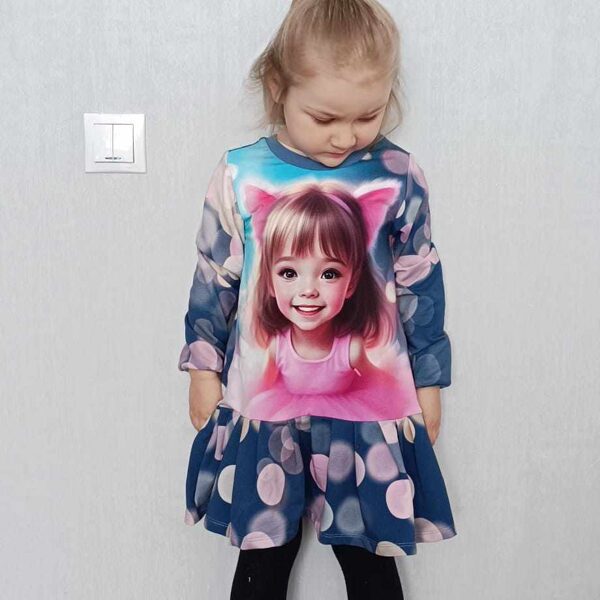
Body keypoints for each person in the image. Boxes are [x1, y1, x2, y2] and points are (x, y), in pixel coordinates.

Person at [179, 1, 457, 598]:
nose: (346, 136)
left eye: (367, 116)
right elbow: (215, 276)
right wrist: (203, 368)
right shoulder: (241, 175)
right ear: (278, 89)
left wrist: (430, 382)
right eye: (325, 117)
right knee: (262, 560)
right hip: (266, 411)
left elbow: (419, 282)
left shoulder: (396, 175)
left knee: (369, 561)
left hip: (368, 416)